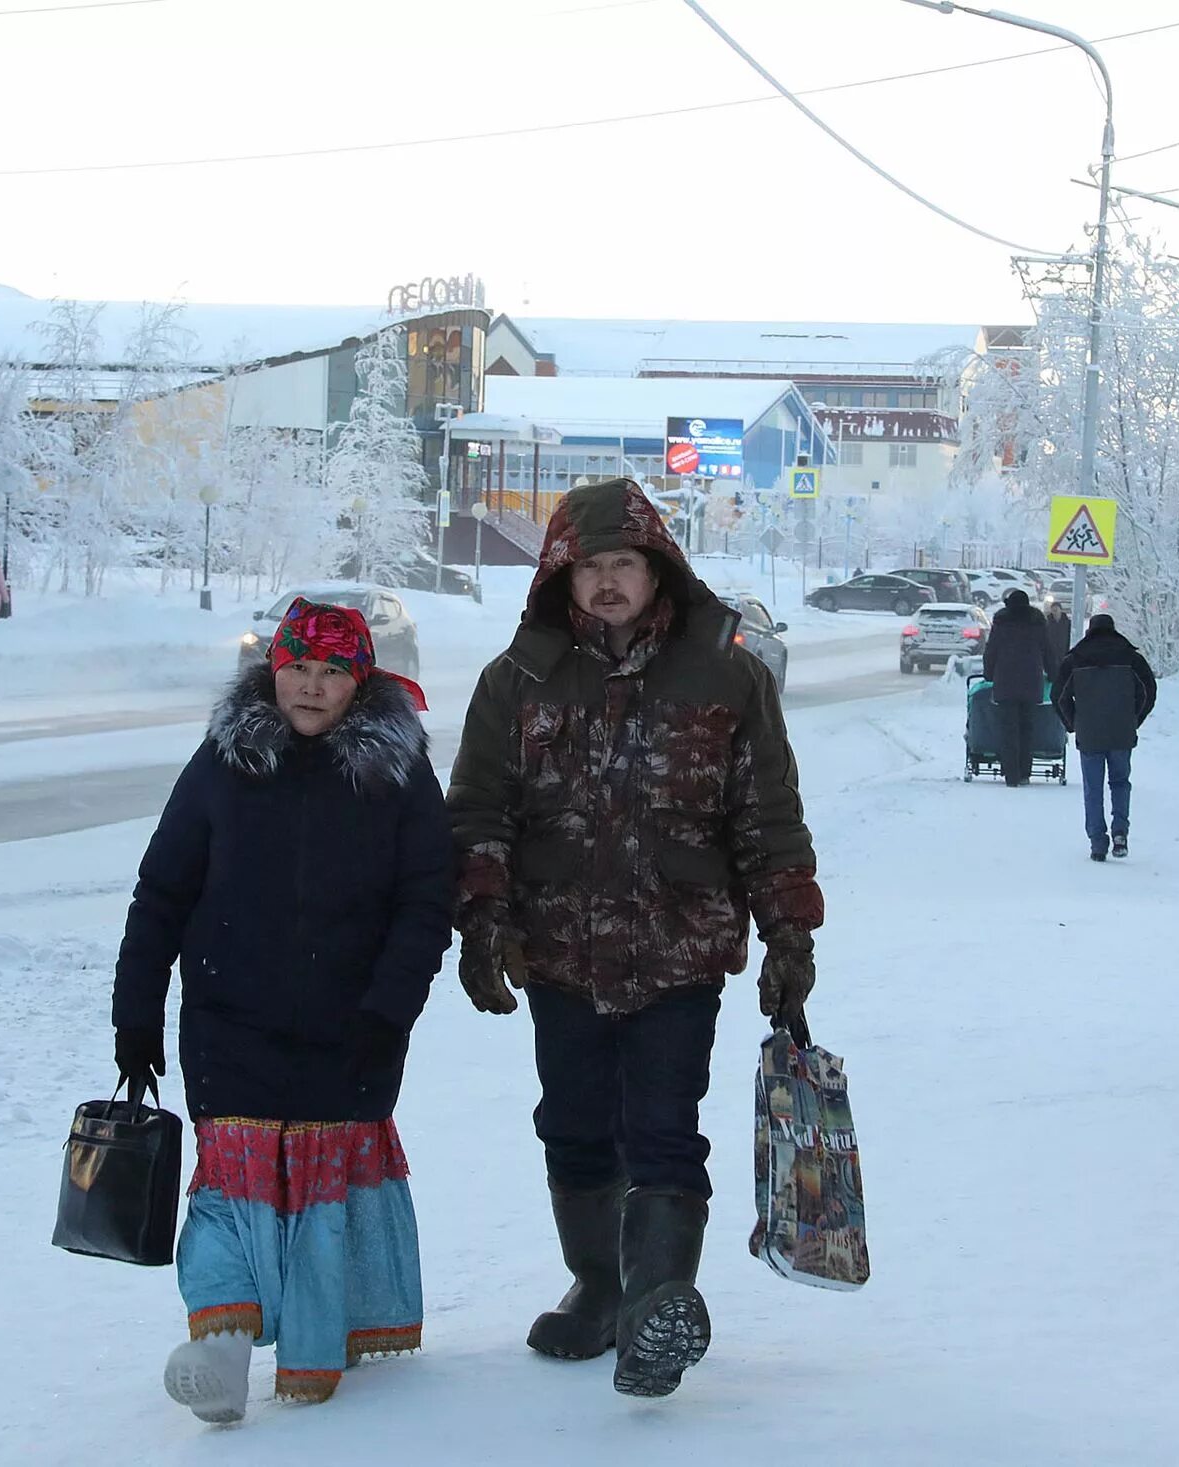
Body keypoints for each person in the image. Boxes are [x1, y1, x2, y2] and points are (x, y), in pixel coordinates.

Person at [448, 477, 821, 1400]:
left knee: (662, 1128)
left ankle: (660, 1300)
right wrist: (482, 920)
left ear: (658, 569)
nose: (608, 582)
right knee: (573, 1128)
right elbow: (479, 813)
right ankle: (603, 1286)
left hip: (678, 948)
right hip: (561, 948)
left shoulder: (726, 672)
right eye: (590, 567)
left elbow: (766, 814)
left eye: (625, 563)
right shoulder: (517, 678)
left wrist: (790, 933)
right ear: (560, 577)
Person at [112, 598, 453, 1423]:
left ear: (359, 680)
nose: (310, 684)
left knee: (320, 1195)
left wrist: (389, 1011)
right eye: (297, 665)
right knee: (229, 1184)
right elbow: (163, 890)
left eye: (332, 670)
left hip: (352, 1025)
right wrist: (136, 1012)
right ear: (272, 668)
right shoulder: (222, 762)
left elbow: (425, 904)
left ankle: (312, 1346)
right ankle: (223, 1354)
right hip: (231, 1019)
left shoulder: (398, 773)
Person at [1054, 612, 1158, 862]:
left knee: (1093, 788)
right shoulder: (1131, 658)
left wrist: (1073, 724)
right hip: (1121, 730)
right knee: (1120, 782)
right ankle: (1120, 832)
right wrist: (1134, 720)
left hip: (1089, 733)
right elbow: (1148, 692)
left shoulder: (1075, 660)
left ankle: (1098, 842)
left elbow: (1059, 696)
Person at [981, 587, 1051, 787]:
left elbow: (991, 650)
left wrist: (989, 674)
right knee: (1027, 729)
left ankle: (1010, 774)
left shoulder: (1002, 622)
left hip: (1006, 682)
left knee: (1008, 729)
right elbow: (1047, 650)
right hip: (1031, 682)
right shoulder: (1037, 623)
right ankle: (1024, 773)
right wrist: (1054, 673)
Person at [1043, 595, 1074, 668]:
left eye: (1056, 610)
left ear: (1060, 610)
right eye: (1053, 610)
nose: (1055, 612)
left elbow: (1069, 637)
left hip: (1063, 651)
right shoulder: (1047, 623)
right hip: (1050, 653)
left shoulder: (1067, 622)